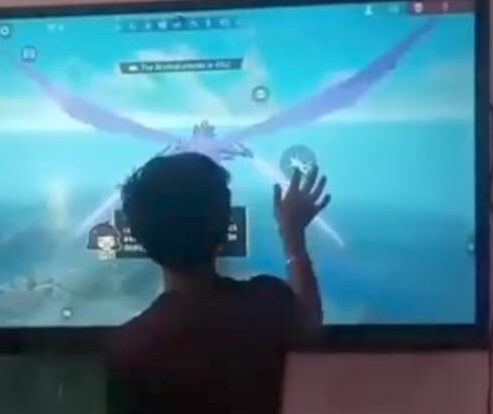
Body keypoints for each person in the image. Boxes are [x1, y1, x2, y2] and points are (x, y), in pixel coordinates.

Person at [105, 152, 330, 414]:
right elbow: (310, 324)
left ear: (139, 237)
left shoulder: (129, 348)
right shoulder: (266, 305)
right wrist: (292, 235)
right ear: (225, 226)